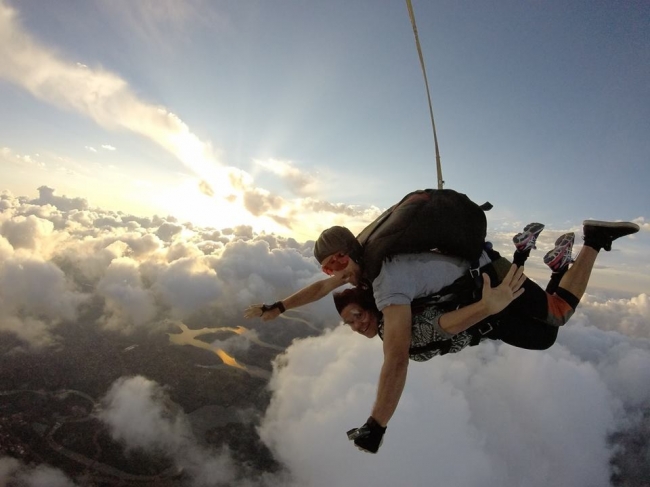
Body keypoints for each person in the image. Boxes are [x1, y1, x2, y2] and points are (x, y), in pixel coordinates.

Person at [244, 219, 639, 453]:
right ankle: (557, 265)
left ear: (351, 251)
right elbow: (319, 289)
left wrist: (376, 425)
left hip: (488, 282)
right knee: (545, 336)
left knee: (557, 316)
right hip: (480, 293)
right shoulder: (366, 264)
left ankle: (592, 239)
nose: (335, 271)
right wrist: (279, 306)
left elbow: (397, 356)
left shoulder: (388, 286)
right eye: (330, 268)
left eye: (338, 262)